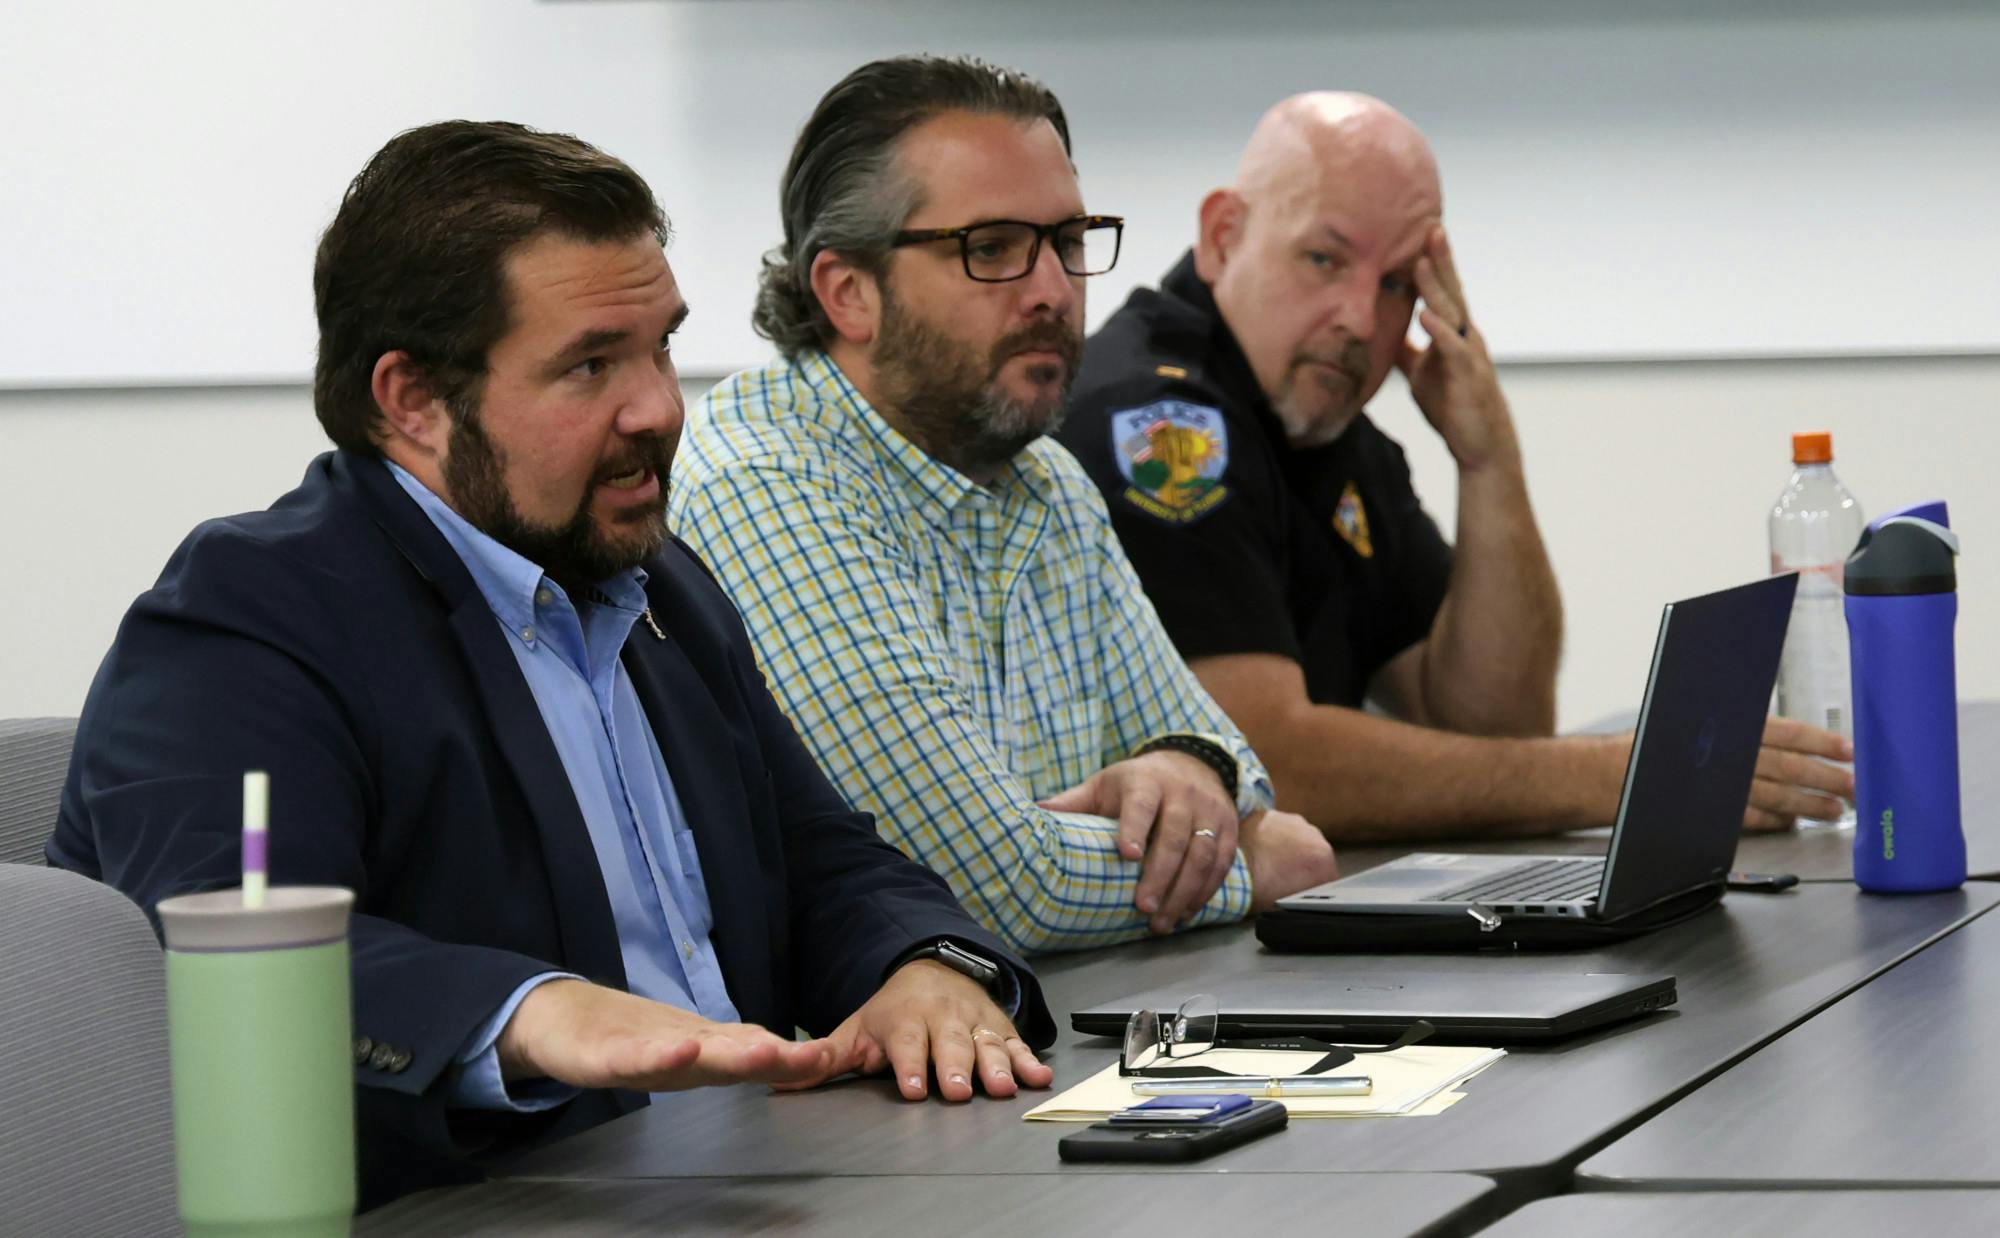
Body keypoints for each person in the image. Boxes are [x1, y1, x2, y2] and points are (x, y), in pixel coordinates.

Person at [47, 120, 1054, 1210]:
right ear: (412, 400)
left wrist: (926, 965)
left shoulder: (657, 584)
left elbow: (819, 859)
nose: (660, 408)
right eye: (590, 364)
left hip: (740, 1182)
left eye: (660, 346)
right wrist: (532, 1011)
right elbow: (224, 943)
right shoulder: (249, 615)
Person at [667, 56, 1336, 956]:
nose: (1055, 290)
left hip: (1068, 1026)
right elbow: (982, 889)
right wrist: (1254, 865)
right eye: (992, 249)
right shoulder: (768, 479)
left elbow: (1224, 761)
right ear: (847, 292)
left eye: (1067, 241)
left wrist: (1186, 768)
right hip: (861, 1071)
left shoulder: (1046, 478)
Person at [1059, 92, 1854, 841]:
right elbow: (1264, 762)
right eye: (1325, 260)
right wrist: (1629, 774)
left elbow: (1496, 722)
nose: (1361, 321)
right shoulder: (1160, 424)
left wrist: (1487, 456)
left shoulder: (1336, 439)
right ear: (1223, 235)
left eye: (1399, 283)